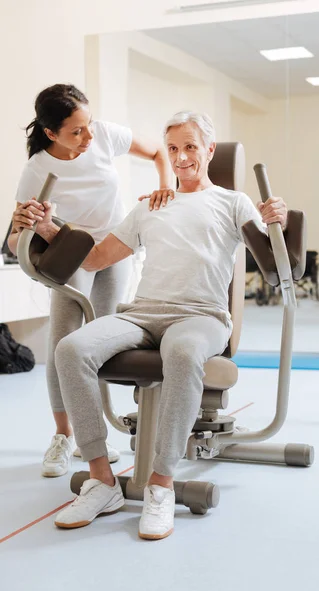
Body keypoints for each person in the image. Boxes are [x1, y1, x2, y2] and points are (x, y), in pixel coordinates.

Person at [18, 111, 288, 540]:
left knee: (181, 353)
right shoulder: (150, 205)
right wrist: (48, 227)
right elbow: (94, 258)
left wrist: (278, 221)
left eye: (191, 147)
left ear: (210, 151)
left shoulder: (233, 202)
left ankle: (160, 485)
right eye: (174, 149)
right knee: (70, 349)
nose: (181, 158)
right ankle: (102, 480)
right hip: (142, 313)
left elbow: (274, 266)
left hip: (202, 315)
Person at [7, 84, 173, 477]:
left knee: (100, 337)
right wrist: (26, 228)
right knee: (65, 340)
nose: (88, 137)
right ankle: (64, 436)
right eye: (76, 131)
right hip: (71, 250)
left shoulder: (104, 135)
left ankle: (91, 435)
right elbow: (15, 239)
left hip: (114, 246)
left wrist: (167, 186)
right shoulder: (36, 171)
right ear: (51, 133)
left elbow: (156, 151)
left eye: (88, 125)